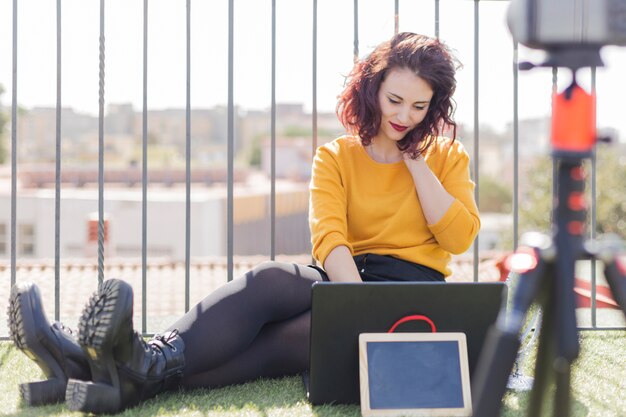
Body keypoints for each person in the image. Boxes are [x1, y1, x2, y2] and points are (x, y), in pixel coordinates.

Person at [8, 32, 479, 414]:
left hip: (408, 290)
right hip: (345, 277)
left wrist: (416, 161)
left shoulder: (445, 158)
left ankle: (92, 370)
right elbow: (330, 238)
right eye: (395, 100)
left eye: (419, 108)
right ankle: (139, 365)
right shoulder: (336, 156)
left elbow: (458, 237)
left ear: (433, 108)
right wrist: (351, 303)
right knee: (272, 279)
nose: (403, 116)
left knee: (291, 335)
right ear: (372, 88)